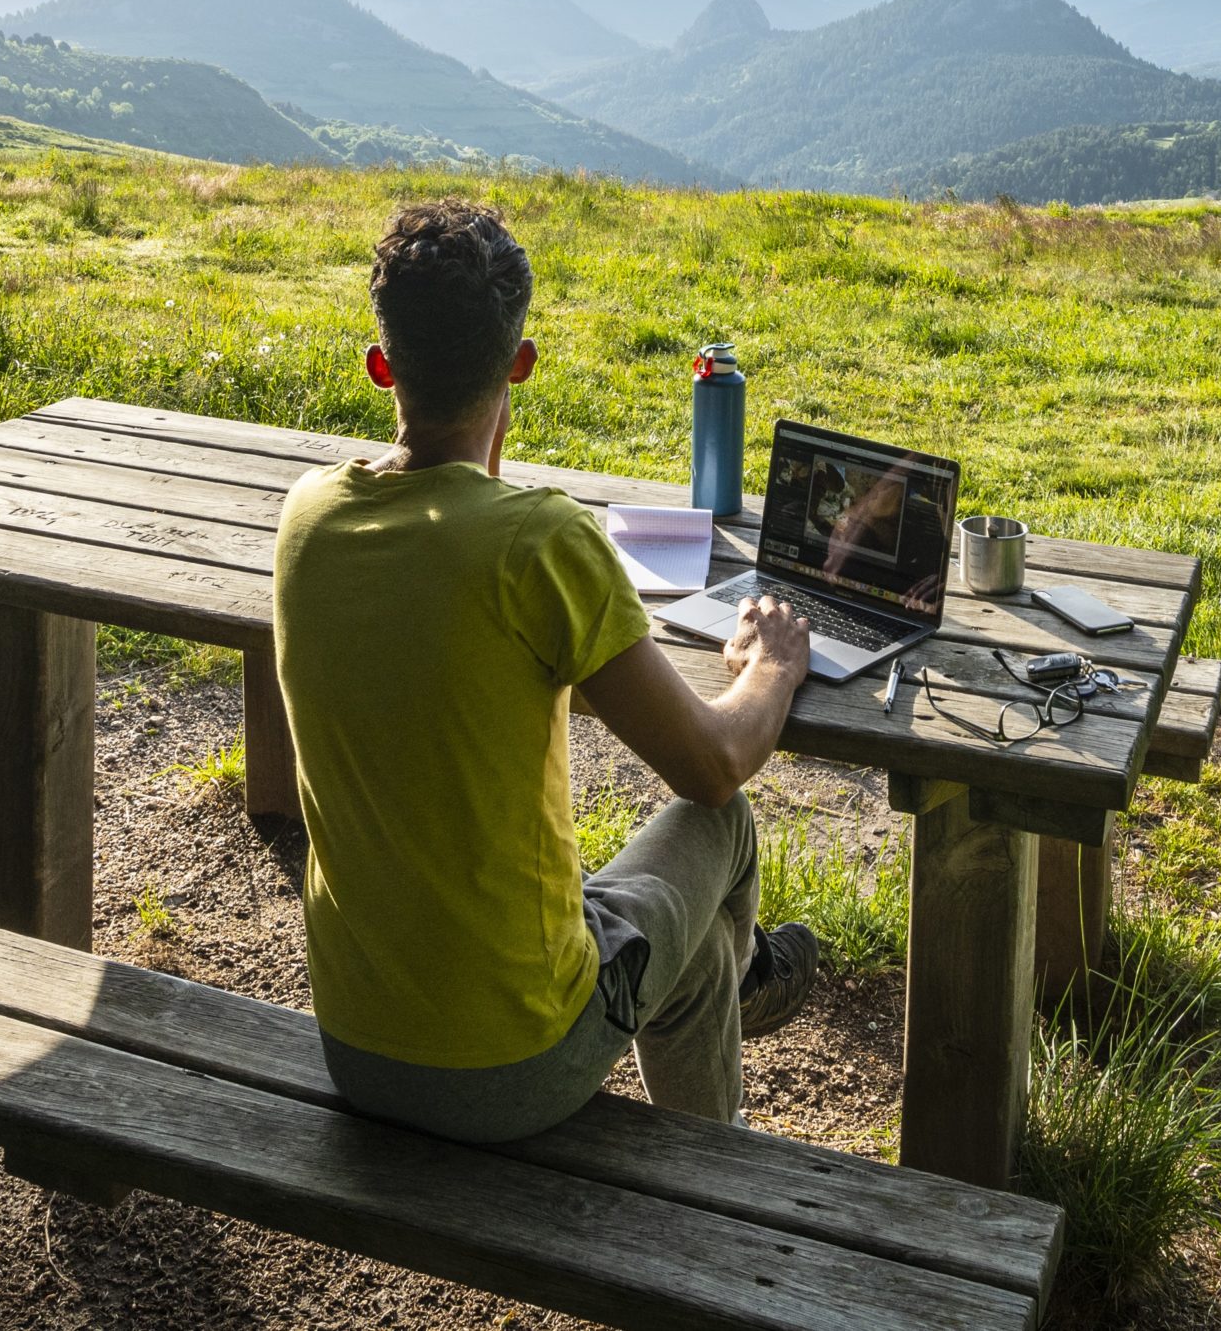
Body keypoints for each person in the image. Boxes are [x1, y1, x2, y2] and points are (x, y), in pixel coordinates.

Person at [269, 201, 826, 1143]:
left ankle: (721, 1026)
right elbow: (712, 766)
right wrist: (770, 664)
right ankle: (739, 1015)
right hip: (512, 1064)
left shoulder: (307, 517)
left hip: (359, 1046)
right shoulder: (540, 542)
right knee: (721, 828)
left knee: (670, 949)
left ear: (380, 365)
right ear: (518, 363)